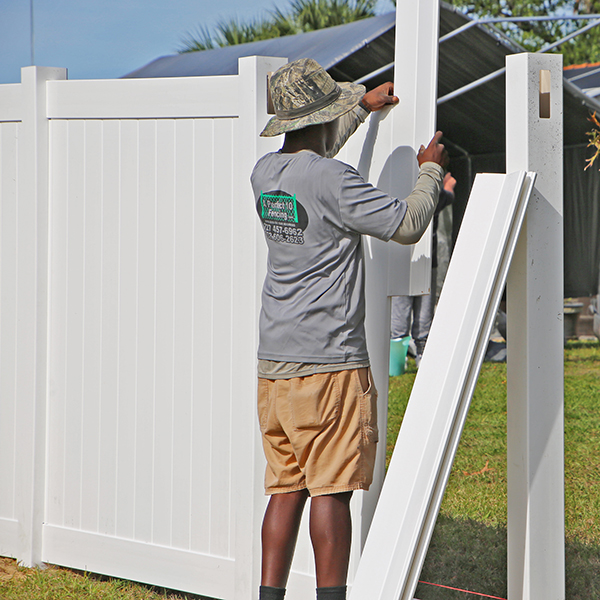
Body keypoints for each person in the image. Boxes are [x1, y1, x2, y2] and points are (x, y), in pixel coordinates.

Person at [251, 58, 448, 600]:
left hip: (274, 365)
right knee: (331, 492)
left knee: (285, 488)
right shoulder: (333, 179)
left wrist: (359, 109)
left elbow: (312, 159)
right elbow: (406, 225)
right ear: (324, 115)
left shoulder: (265, 173)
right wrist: (429, 169)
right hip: (329, 363)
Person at [391, 171, 456, 366]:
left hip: (406, 259)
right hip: (426, 260)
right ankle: (420, 354)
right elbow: (449, 195)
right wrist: (448, 185)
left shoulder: (399, 192)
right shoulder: (433, 194)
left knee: (401, 312)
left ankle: (398, 360)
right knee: (422, 313)